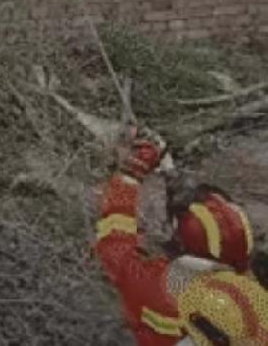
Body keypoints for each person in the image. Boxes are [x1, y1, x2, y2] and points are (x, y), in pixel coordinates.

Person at [95, 130, 256, 344]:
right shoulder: (252, 292)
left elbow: (114, 248)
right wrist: (169, 170)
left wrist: (130, 176)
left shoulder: (157, 288)